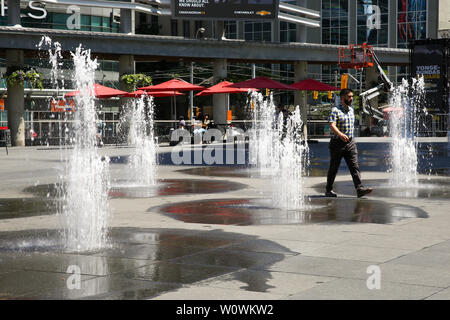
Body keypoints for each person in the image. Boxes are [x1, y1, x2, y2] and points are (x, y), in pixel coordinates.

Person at [325, 88, 372, 198]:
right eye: (349, 97)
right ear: (342, 97)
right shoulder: (335, 110)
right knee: (334, 167)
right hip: (337, 143)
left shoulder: (351, 110)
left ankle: (359, 189)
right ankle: (328, 190)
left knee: (354, 166)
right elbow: (332, 124)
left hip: (350, 143)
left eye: (352, 97)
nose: (351, 99)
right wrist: (340, 134)